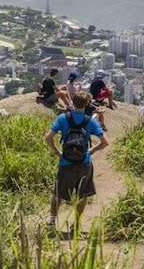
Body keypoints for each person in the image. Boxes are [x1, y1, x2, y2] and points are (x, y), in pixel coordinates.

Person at [44, 91, 109, 232]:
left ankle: (52, 220)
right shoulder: (90, 120)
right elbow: (105, 143)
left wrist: (58, 153)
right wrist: (92, 151)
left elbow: (48, 138)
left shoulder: (63, 118)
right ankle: (77, 224)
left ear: (72, 102)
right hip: (84, 163)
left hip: (66, 162)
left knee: (58, 193)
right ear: (87, 104)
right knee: (82, 194)